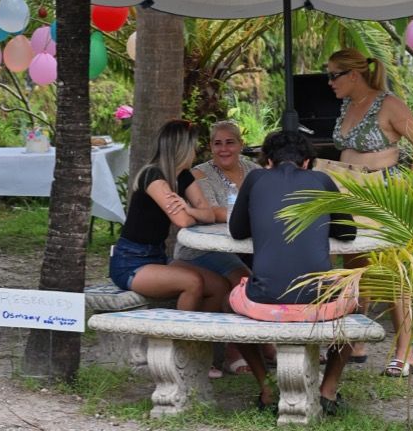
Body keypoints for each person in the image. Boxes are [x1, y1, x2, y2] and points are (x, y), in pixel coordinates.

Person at [228, 130, 357, 416]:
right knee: (361, 297)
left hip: (264, 300)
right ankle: (328, 388)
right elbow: (348, 232)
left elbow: (236, 231)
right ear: (308, 162)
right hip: (321, 300)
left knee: (230, 299)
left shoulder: (255, 179)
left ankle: (266, 385)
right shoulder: (321, 180)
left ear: (268, 162)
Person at [327, 47, 413, 376]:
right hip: (348, 193)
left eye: (333, 75)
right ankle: (355, 341)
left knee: (391, 272)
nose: (328, 82)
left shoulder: (389, 104)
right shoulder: (346, 105)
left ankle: (405, 350)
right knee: (355, 267)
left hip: (384, 196)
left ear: (353, 75)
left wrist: (409, 186)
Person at [108, 119, 229, 313]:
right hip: (131, 262)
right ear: (183, 148)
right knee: (192, 282)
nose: (196, 151)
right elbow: (182, 221)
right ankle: (180, 341)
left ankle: (198, 337)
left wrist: (188, 210)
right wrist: (189, 214)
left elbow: (208, 215)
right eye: (193, 146)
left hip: (157, 257)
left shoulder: (183, 176)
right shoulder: (153, 175)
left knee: (220, 287)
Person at [189, 120, 261, 377]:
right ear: (210, 146)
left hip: (245, 246)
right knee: (242, 280)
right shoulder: (199, 173)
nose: (224, 149)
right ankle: (233, 351)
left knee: (273, 273)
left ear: (240, 145)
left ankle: (266, 343)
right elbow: (211, 212)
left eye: (230, 142)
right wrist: (252, 213)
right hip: (205, 249)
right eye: (217, 143)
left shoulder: (254, 170)